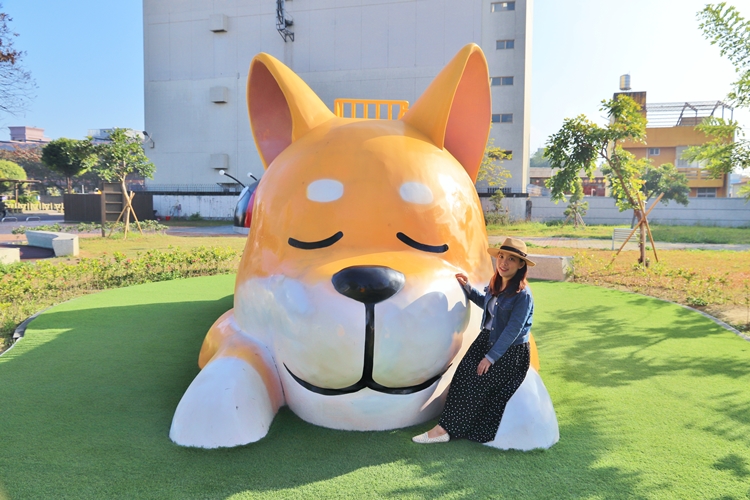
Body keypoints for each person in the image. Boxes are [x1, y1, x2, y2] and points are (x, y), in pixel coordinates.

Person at [412, 237, 535, 444]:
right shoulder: (496, 283)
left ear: (521, 264)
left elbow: (513, 330)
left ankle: (444, 430)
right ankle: (448, 426)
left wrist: (490, 358)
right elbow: (487, 304)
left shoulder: (522, 295)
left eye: (511, 259)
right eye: (501, 257)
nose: (503, 263)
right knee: (462, 375)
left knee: (477, 381)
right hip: (485, 340)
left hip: (509, 351)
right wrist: (468, 289)